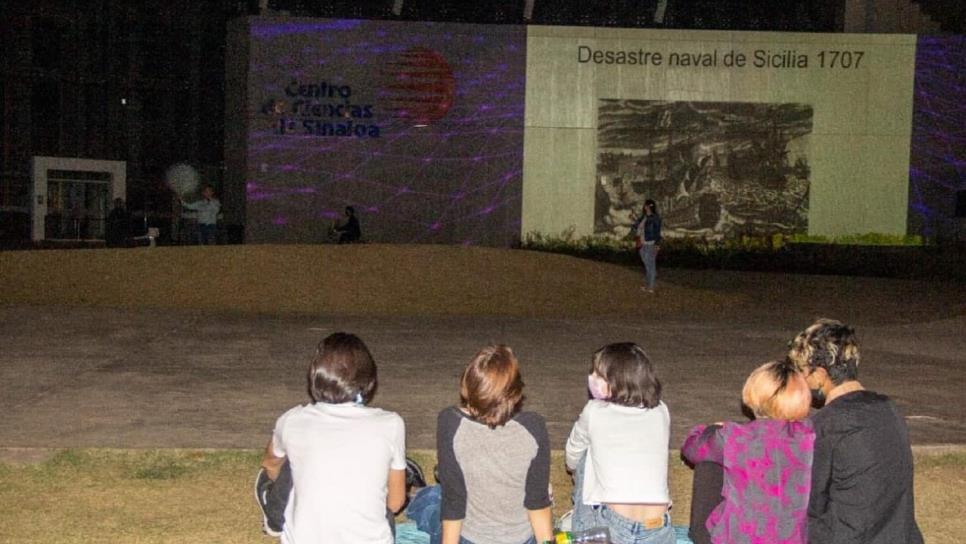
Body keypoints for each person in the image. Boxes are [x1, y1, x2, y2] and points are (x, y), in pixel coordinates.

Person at [254, 332, 407, 544]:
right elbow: (396, 502)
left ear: (315, 375)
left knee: (294, 460)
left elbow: (270, 465)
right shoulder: (391, 424)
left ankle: (273, 513)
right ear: (369, 378)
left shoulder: (292, 420)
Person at [787, 319, 923, 544]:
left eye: (802, 373)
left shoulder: (826, 425)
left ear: (819, 374)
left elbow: (809, 503)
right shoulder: (888, 408)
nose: (801, 383)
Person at [407, 345, 554, 544]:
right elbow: (537, 502)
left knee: (430, 502)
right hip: (521, 538)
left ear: (469, 387)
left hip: (471, 537)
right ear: (516, 393)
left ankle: (417, 493)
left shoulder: (450, 423)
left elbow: (454, 501)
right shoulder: (533, 427)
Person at [680, 360, 815, 544]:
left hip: (740, 538)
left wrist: (709, 429)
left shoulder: (735, 436)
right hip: (794, 538)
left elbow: (691, 449)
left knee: (708, 461)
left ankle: (700, 537)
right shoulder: (810, 436)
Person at [565, 342, 674, 544]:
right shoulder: (661, 411)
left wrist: (573, 469)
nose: (592, 379)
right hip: (658, 527)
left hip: (612, 527)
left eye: (598, 375)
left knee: (586, 456)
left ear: (615, 382)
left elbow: (572, 454)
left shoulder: (594, 410)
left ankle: (579, 530)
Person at [633, 200, 662, 293]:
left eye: (646, 205)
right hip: (642, 243)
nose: (645, 207)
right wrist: (634, 220)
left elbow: (657, 232)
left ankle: (651, 286)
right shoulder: (643, 217)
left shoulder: (655, 218)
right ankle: (650, 282)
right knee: (647, 264)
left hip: (650, 243)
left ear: (649, 207)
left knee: (650, 265)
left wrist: (657, 244)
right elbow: (637, 226)